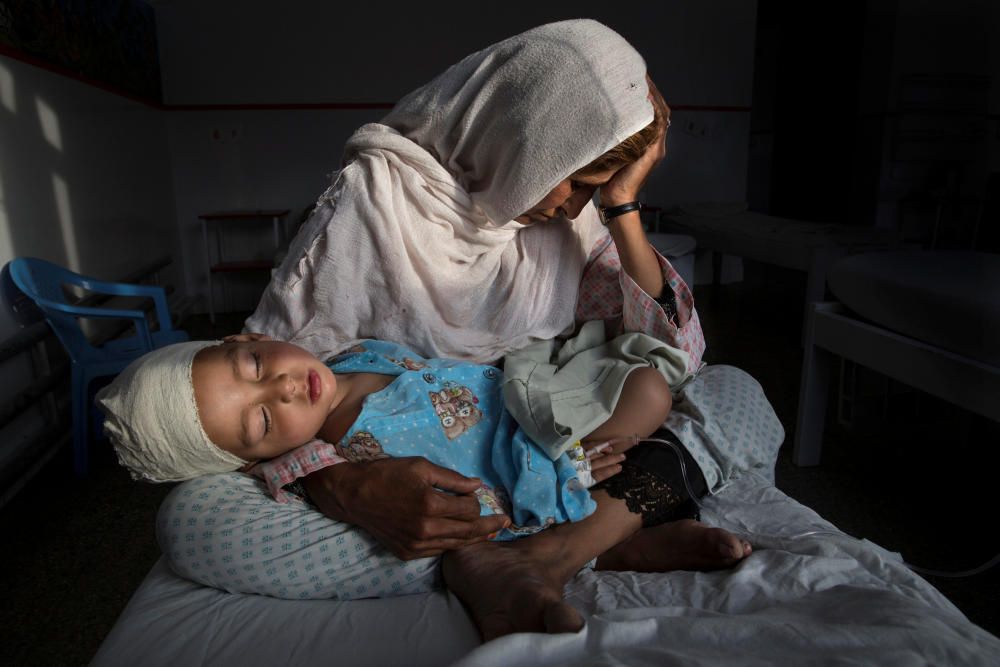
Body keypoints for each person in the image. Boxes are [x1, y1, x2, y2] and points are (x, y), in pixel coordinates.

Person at [154, 19, 783, 640]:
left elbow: (674, 352)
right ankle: (611, 535)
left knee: (733, 392)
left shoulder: (573, 219)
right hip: (425, 480)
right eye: (577, 182)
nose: (570, 206)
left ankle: (540, 554)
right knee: (194, 521)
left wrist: (620, 208)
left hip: (561, 441)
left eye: (591, 190)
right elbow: (278, 388)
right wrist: (346, 486)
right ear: (524, 137)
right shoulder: (373, 200)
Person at [97, 333, 689, 541]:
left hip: (524, 387)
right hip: (535, 445)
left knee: (638, 365)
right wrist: (561, 471)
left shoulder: (353, 356)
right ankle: (620, 544)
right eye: (262, 423)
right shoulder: (358, 447)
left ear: (243, 338)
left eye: (252, 365)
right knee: (649, 394)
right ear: (265, 455)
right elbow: (477, 491)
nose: (279, 387)